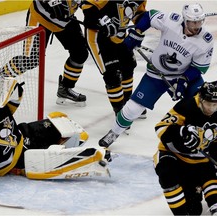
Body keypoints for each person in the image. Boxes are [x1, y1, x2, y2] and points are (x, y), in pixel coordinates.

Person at [99, 3, 214, 147]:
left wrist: (184, 80)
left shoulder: (205, 41)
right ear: (185, 20)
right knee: (132, 109)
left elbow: (198, 67)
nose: (197, 26)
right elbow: (149, 16)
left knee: (206, 100)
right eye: (193, 22)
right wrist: (137, 32)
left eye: (199, 21)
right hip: (156, 74)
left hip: (184, 75)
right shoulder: (171, 21)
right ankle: (114, 133)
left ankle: (207, 134)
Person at [0, 75, 111, 179]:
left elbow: (17, 94)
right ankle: (80, 157)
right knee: (51, 157)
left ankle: (63, 146)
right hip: (14, 160)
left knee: (62, 127)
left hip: (25, 134)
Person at [153, 81, 217, 215]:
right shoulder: (187, 106)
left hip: (201, 162)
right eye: (208, 104)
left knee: (194, 210)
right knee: (167, 174)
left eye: (215, 105)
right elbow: (161, 127)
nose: (211, 109)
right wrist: (182, 132)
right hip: (174, 156)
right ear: (200, 99)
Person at [81, 0, 148, 116]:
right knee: (111, 74)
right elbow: (87, 8)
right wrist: (102, 22)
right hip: (98, 37)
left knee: (128, 66)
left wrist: (142, 27)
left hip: (119, 36)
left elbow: (138, 15)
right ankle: (120, 113)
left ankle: (128, 104)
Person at [25, 0, 88, 106]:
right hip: (41, 16)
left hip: (64, 17)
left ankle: (65, 89)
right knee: (31, 60)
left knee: (80, 53)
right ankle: (0, 77)